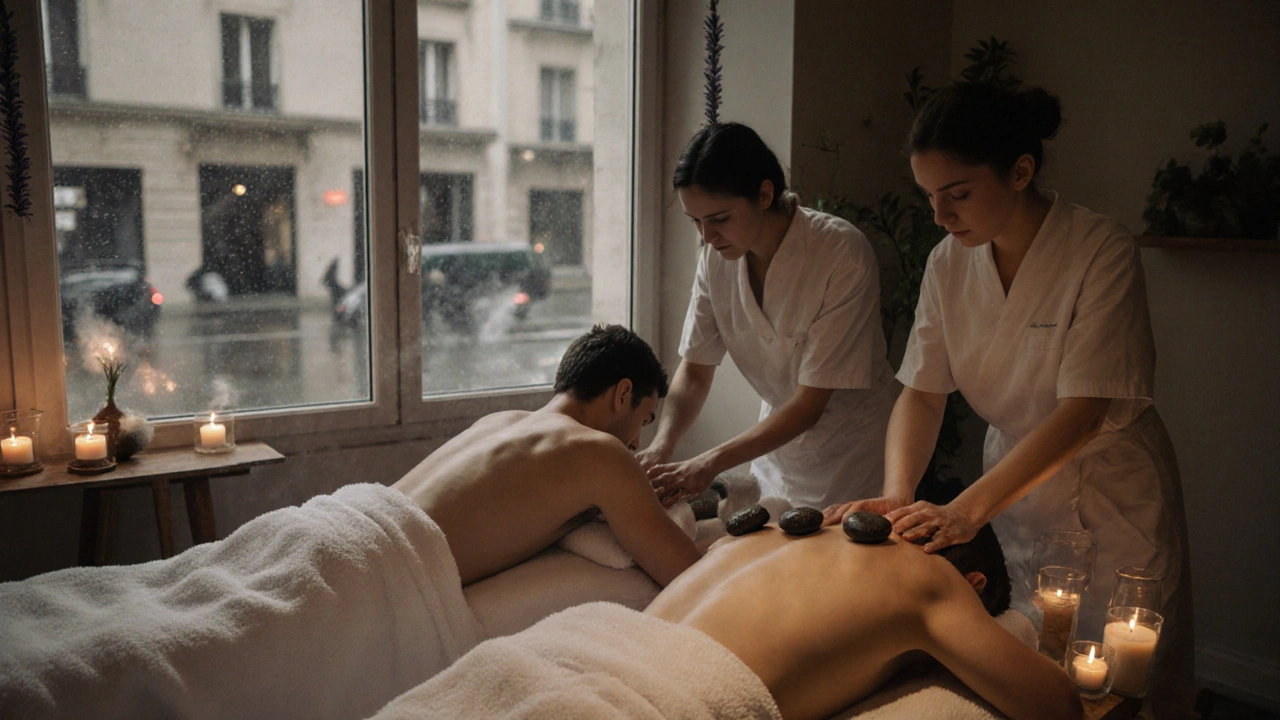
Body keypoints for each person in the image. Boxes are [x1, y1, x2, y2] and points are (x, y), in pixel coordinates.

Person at [823, 82, 1191, 681]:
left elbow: (1084, 412)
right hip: (1017, 497)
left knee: (1119, 679)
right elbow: (922, 392)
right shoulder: (949, 263)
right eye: (929, 197)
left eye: (958, 194)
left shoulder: (1101, 250)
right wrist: (898, 491)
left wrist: (968, 510)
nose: (941, 217)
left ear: (1021, 171)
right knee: (1029, 660)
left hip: (1109, 495)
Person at [370, 523, 1082, 720]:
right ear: (973, 579)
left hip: (549, 653)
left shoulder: (775, 532)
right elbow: (1057, 706)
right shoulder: (929, 579)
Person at [638, 122, 898, 510]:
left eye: (719, 219)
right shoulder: (716, 259)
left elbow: (809, 405)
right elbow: (694, 371)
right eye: (696, 222)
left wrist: (709, 462)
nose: (707, 236)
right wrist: (662, 445)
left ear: (763, 194)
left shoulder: (840, 253)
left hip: (852, 449)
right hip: (777, 445)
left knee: (835, 561)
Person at [394, 323, 701, 587]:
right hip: (377, 569)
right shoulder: (601, 452)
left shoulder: (499, 421)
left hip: (359, 518)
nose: (636, 443)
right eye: (644, 420)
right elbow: (688, 575)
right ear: (622, 394)